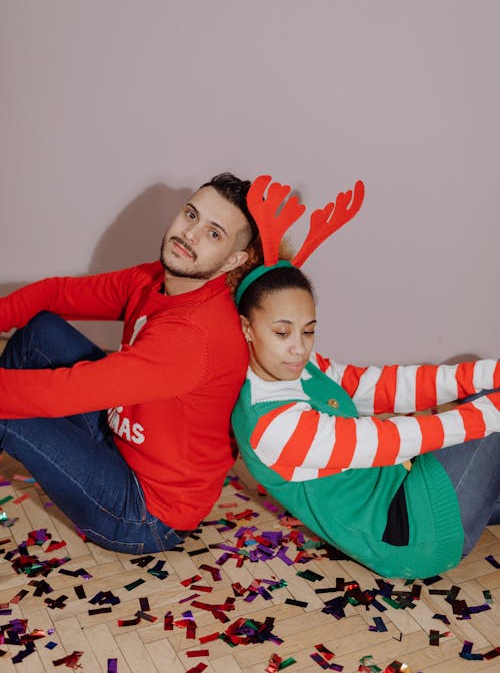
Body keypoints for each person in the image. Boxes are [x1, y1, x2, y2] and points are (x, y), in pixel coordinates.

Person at [231, 175, 500, 579]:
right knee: (490, 409)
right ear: (248, 328)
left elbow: (383, 386)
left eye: (309, 330)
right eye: (282, 332)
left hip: (409, 498)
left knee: (485, 383)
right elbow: (384, 441)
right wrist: (491, 411)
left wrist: (487, 373)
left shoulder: (304, 368)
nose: (299, 347)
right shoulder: (270, 424)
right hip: (411, 537)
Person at [0, 173, 260, 554]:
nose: (190, 234)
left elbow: (66, 392)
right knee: (40, 333)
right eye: (191, 215)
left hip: (144, 511)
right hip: (121, 435)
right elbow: (56, 293)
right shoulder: (158, 279)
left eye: (214, 234)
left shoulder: (194, 337)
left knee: (11, 411)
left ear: (233, 261)